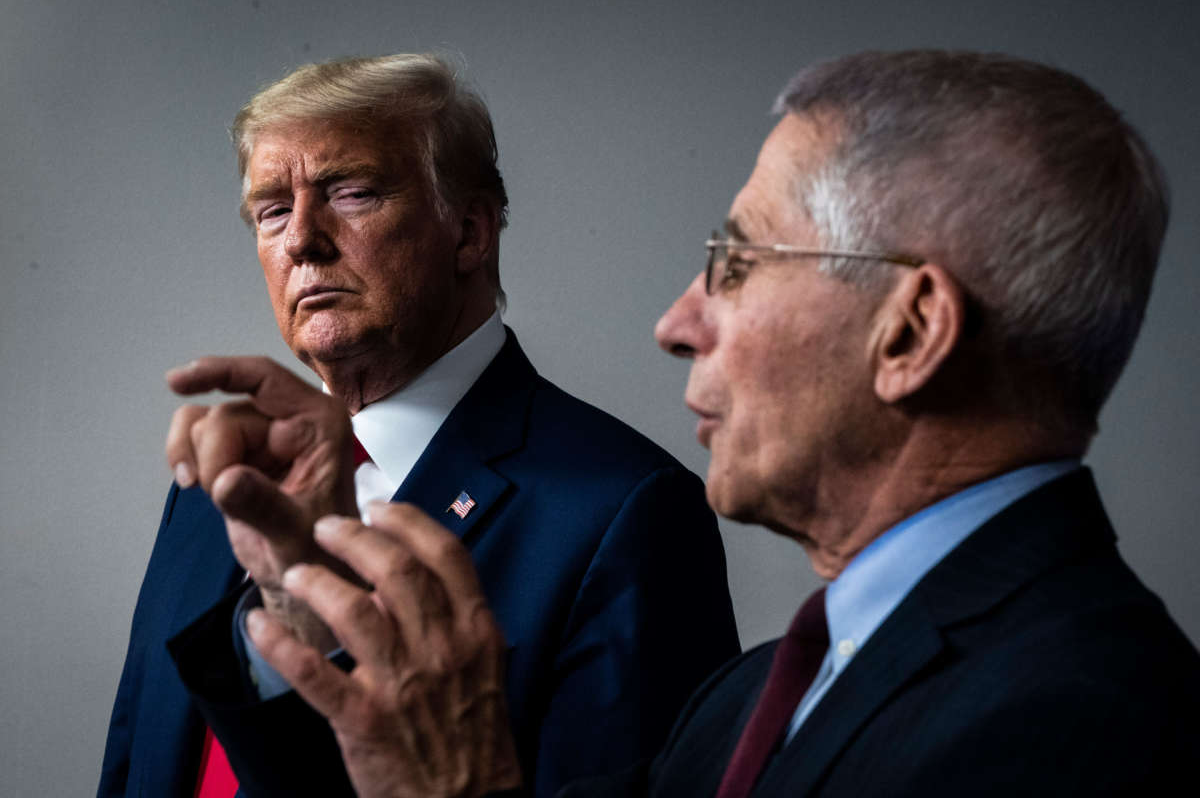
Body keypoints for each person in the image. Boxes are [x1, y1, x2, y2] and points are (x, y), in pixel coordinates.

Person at [242, 50, 1200, 797]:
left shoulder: (1089, 724)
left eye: (737, 263)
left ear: (909, 332)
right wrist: (298, 622)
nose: (678, 323)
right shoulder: (749, 701)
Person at [97, 54, 739, 798]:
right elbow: (132, 765)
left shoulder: (628, 513)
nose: (302, 239)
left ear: (469, 231)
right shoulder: (224, 485)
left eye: (353, 193)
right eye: (273, 210)